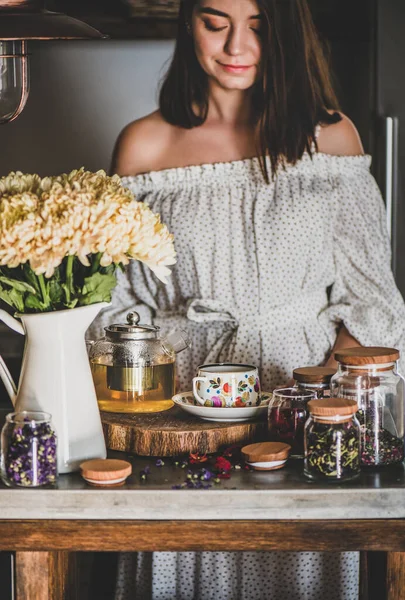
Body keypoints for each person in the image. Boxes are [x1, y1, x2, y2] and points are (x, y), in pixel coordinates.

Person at [90, 0, 405, 598]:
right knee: (184, 565)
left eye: (258, 27)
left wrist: (327, 386)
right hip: (182, 419)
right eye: (216, 23)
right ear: (189, 23)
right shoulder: (144, 147)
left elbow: (373, 298)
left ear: (288, 33)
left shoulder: (332, 140)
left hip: (305, 409)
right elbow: (116, 310)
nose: (236, 47)